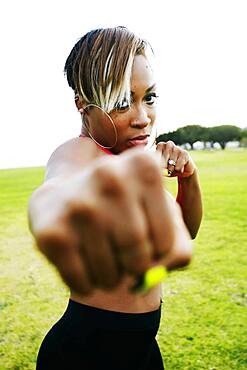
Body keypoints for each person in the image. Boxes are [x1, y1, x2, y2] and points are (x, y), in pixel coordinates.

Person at [28, 26, 202, 370]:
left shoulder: (129, 159)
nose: (143, 118)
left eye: (149, 98)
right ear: (82, 105)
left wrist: (188, 178)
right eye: (122, 103)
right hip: (86, 353)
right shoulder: (79, 153)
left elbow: (187, 230)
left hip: (141, 348)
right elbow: (57, 193)